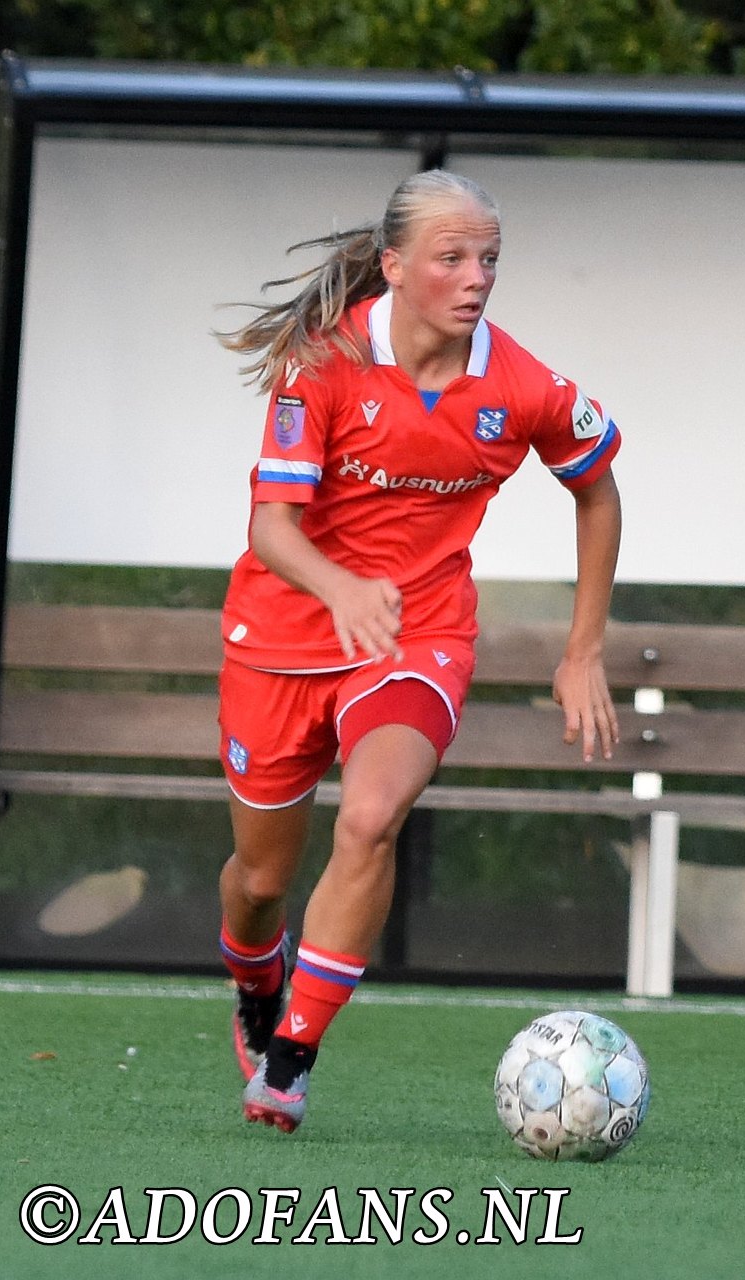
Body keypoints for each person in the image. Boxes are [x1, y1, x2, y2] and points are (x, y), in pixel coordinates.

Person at [211, 169, 623, 1133]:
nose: (476, 276)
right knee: (261, 879)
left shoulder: (523, 384)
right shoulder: (323, 361)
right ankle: (255, 976)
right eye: (453, 257)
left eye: (489, 258)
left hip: (416, 633)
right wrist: (341, 585)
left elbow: (599, 492)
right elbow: (273, 528)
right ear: (395, 267)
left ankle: (293, 1055)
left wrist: (583, 649)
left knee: (371, 818)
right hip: (280, 635)